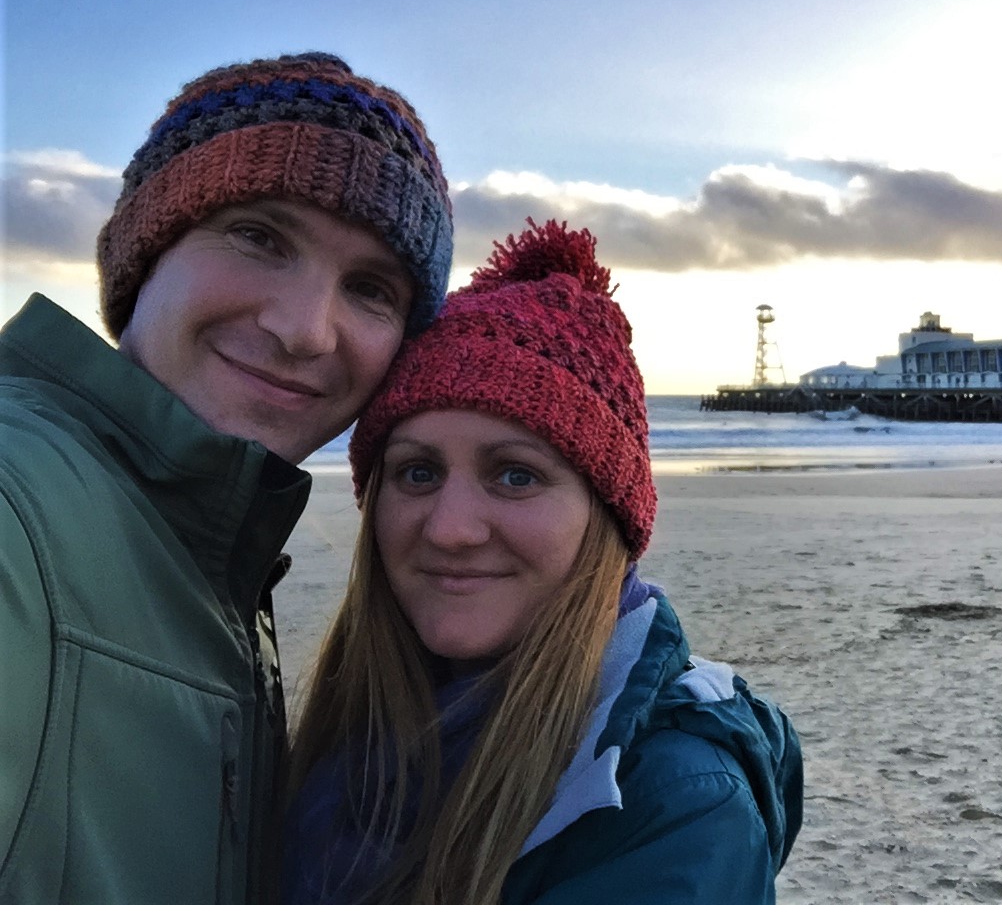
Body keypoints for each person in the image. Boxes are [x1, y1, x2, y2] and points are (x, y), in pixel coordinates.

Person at [0, 52, 452, 904]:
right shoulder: (20, 510)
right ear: (147, 251)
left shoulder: (206, 538)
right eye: (259, 237)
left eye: (371, 289)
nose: (303, 330)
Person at [283, 219, 803, 904]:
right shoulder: (360, 726)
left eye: (515, 475)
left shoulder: (672, 804)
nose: (451, 529)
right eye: (416, 473)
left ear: (604, 516)